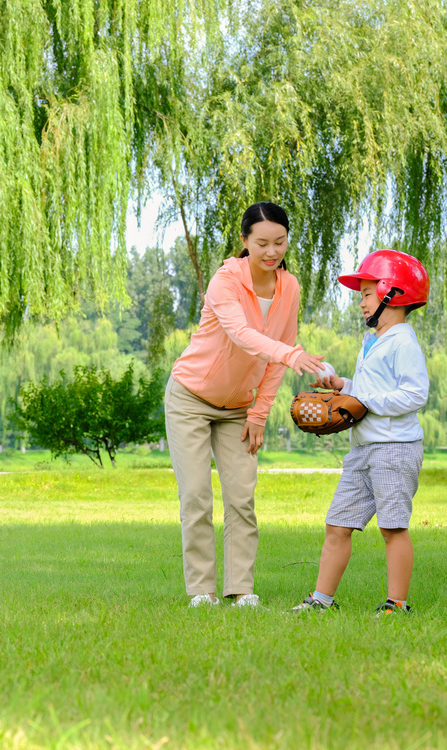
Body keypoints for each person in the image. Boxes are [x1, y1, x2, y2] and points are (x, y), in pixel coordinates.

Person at [165, 202, 324, 608]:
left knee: (241, 497)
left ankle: (241, 589)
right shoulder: (225, 281)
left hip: (239, 407)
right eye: (262, 243)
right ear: (244, 241)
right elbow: (240, 335)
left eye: (280, 243)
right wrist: (290, 355)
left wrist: (258, 414)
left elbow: (273, 362)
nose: (272, 252)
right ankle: (202, 591)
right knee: (197, 497)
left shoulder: (290, 288)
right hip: (190, 398)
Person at [291, 250, 429, 615]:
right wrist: (343, 385)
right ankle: (321, 600)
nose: (362, 304)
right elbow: (371, 390)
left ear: (392, 295)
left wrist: (362, 398)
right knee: (337, 524)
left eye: (367, 295)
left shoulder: (403, 341)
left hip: (395, 449)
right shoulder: (372, 342)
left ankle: (396, 604)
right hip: (363, 450)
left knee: (392, 527)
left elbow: (415, 394)